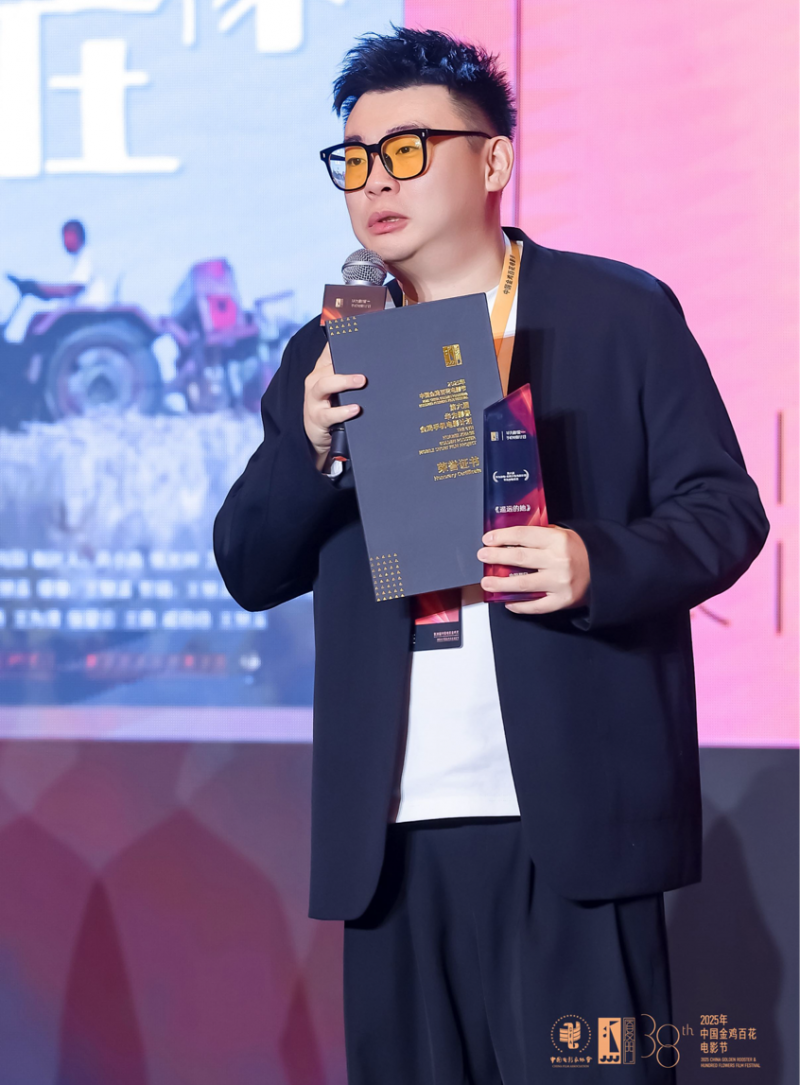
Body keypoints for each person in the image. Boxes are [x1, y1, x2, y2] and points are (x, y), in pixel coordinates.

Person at [214, 27, 768, 1085]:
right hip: (390, 827)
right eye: (354, 159)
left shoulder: (616, 314)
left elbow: (722, 510)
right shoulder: (324, 352)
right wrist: (311, 445)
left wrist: (593, 562)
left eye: (406, 150)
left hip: (572, 814)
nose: (375, 181)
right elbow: (247, 562)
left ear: (494, 160)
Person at [3, 218, 108, 344]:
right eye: (64, 237)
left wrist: (38, 287)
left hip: (86, 312)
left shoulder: (86, 258)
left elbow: (72, 289)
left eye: (68, 236)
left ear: (79, 236)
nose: (65, 241)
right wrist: (39, 291)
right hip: (78, 312)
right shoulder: (78, 261)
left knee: (39, 322)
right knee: (38, 320)